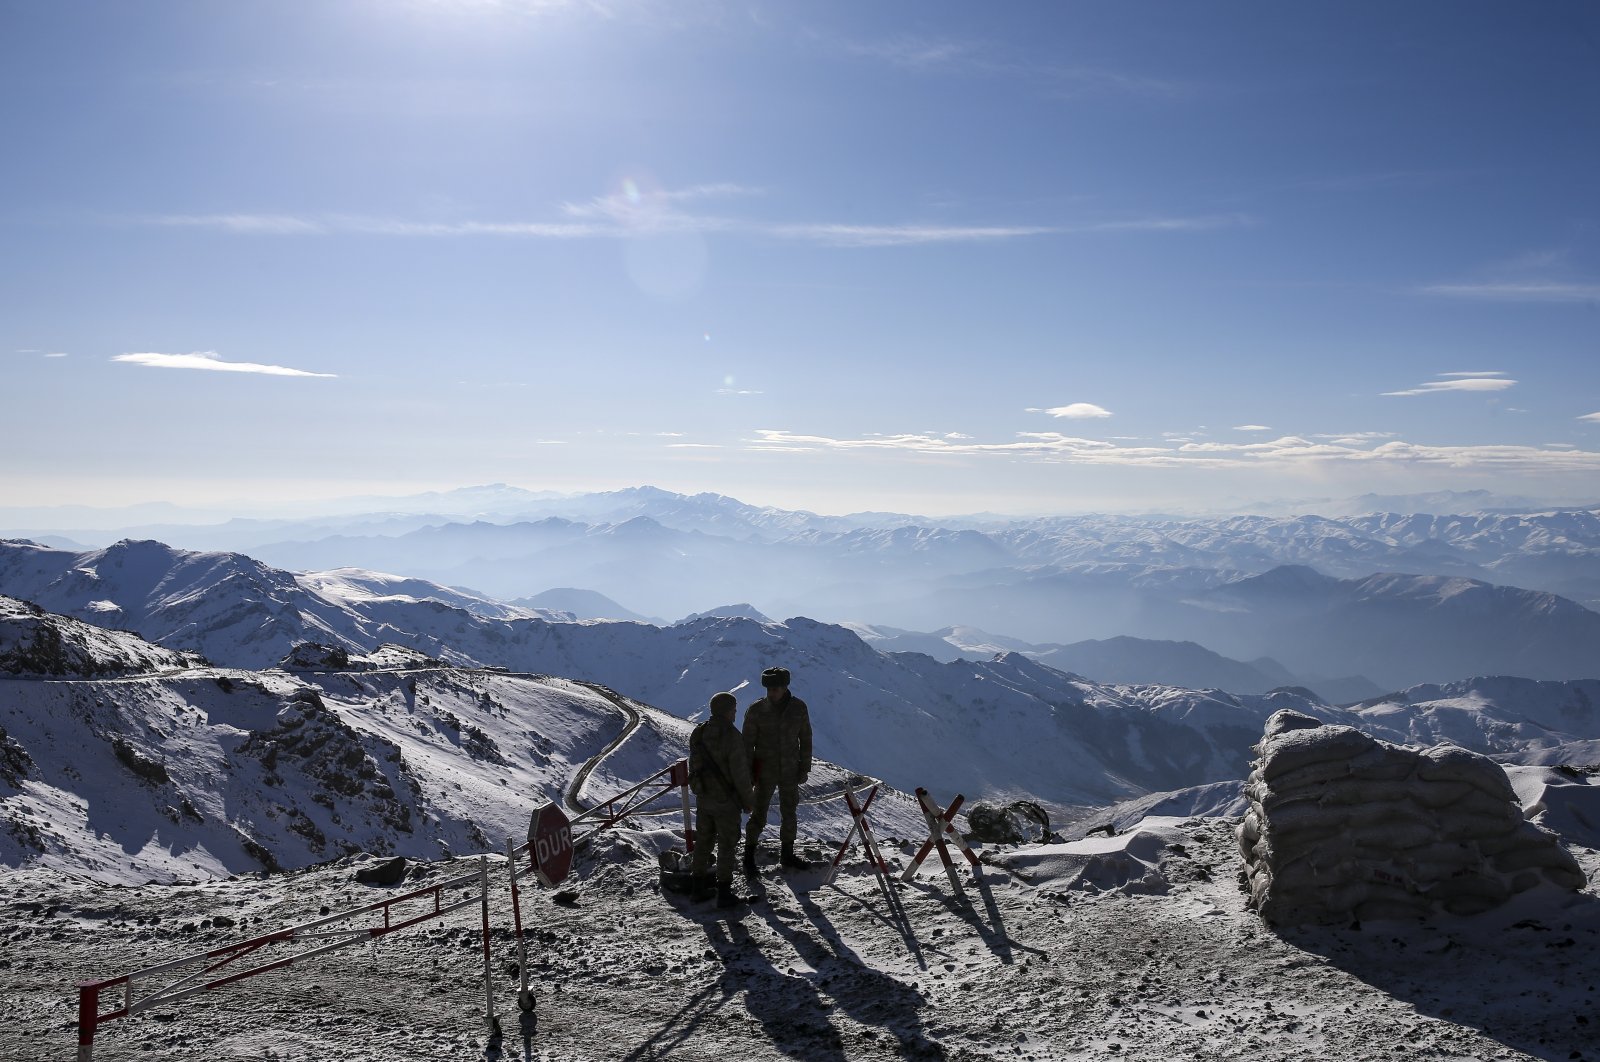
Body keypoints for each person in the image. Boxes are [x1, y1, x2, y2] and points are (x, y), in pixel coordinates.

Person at [741, 666, 813, 873]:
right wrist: (748, 773)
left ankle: (788, 855)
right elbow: (747, 744)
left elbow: (805, 738)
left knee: (789, 811)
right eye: (769, 690)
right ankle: (748, 856)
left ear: (784, 688)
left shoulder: (799, 708)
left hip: (790, 769)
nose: (771, 693)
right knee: (759, 813)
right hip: (764, 770)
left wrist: (804, 767)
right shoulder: (756, 710)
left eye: (775, 689)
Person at [688, 691, 754, 908]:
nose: (735, 713)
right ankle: (724, 892)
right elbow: (740, 774)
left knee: (704, 841)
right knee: (727, 844)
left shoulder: (699, 733)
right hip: (726, 801)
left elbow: (694, 765)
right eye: (734, 709)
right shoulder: (732, 736)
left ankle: (697, 887)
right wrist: (748, 800)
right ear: (727, 711)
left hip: (704, 797)